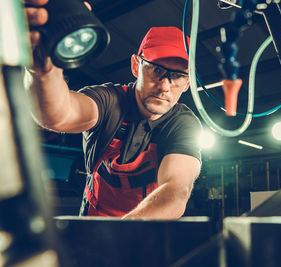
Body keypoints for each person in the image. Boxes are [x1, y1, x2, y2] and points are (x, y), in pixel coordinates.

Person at [24, 0, 202, 219]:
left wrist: (120, 234)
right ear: (137, 66)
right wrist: (43, 68)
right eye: (156, 70)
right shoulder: (109, 100)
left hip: (143, 234)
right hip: (91, 226)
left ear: (187, 84)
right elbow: (57, 115)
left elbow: (176, 191)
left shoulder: (182, 123)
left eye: (177, 76)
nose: (165, 86)